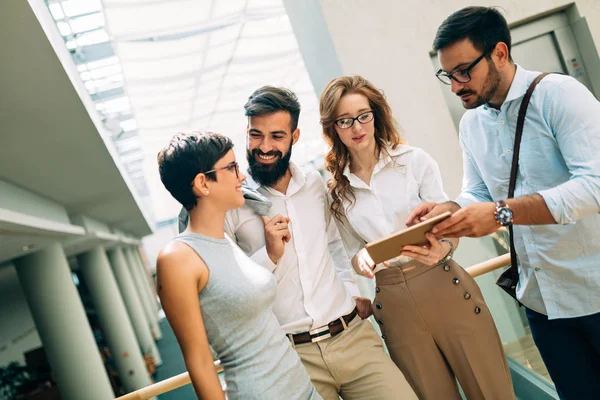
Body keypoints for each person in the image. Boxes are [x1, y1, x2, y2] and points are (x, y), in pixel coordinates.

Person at [407, 6, 600, 399]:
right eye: (448, 75)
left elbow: (595, 186)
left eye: (464, 71)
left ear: (499, 53)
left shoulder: (559, 95)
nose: (456, 85)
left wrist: (501, 213)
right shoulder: (472, 123)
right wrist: (448, 211)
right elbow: (477, 192)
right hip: (542, 302)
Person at [320, 75, 515, 400]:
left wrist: (443, 247)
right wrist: (363, 259)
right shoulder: (336, 193)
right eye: (345, 120)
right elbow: (350, 254)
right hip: (394, 304)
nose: (357, 127)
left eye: (363, 115)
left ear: (376, 114)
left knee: (491, 391)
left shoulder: (414, 161)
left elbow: (448, 222)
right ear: (333, 128)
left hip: (443, 283)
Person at [223, 86, 416, 399]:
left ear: (295, 137)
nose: (264, 146)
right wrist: (269, 255)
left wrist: (353, 292)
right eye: (255, 135)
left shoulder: (314, 184)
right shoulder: (232, 203)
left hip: (351, 337)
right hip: (290, 358)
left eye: (277, 136)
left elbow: (335, 247)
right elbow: (230, 287)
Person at [156, 131, 321, 400]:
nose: (241, 176)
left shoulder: (224, 239)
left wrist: (271, 253)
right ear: (202, 183)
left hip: (305, 389)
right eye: (232, 168)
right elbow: (199, 360)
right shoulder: (177, 258)